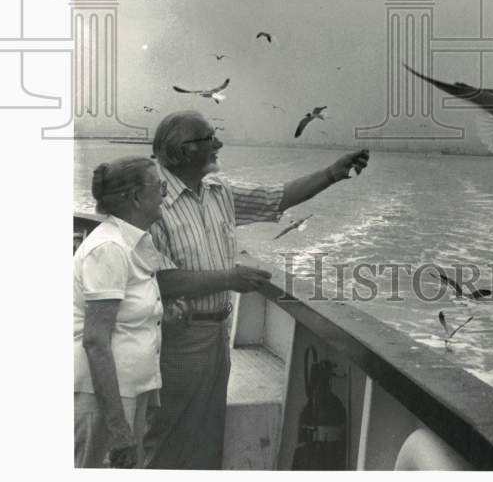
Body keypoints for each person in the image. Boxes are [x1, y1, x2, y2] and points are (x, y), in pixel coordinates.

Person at [144, 110, 369, 470]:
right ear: (184, 151)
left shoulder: (217, 191)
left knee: (208, 434)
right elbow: (156, 280)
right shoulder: (152, 203)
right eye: (209, 138)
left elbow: (275, 197)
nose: (219, 144)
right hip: (177, 338)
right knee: (167, 434)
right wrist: (229, 279)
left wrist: (332, 174)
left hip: (218, 332)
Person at [73, 156, 173, 468]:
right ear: (135, 197)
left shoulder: (133, 242)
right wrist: (119, 428)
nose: (165, 194)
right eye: (159, 187)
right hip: (103, 398)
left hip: (127, 391)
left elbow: (127, 318)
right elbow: (95, 341)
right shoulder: (110, 249)